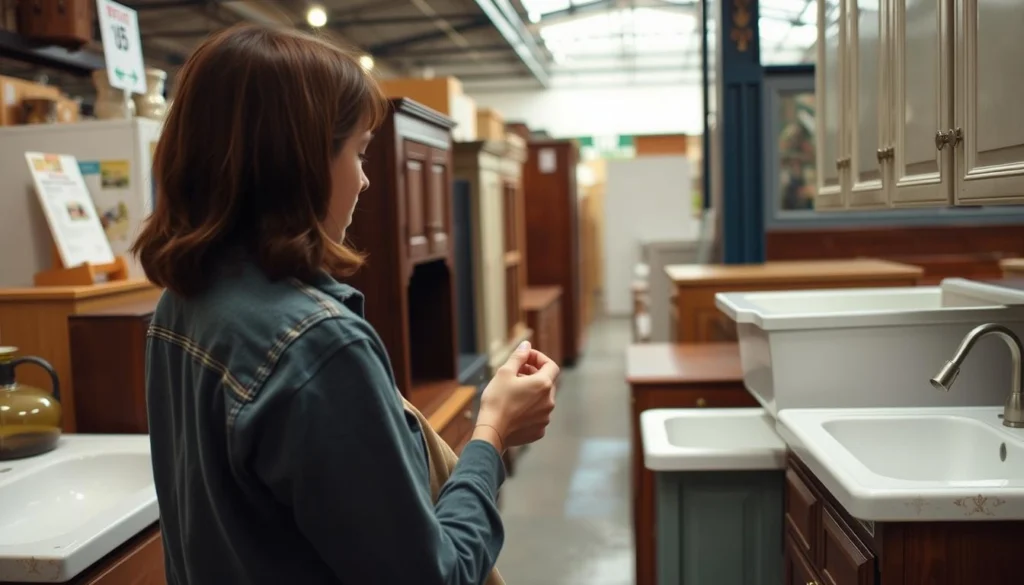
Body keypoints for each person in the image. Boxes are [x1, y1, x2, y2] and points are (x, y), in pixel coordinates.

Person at [131, 24, 560, 585]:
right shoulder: (317, 346)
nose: (364, 180)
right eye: (358, 152)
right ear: (296, 162)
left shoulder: (180, 304)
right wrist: (493, 432)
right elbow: (437, 576)